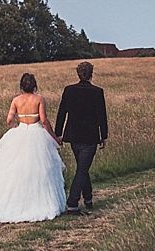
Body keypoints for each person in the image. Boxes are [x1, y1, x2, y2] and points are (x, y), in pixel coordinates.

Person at [0, 73, 66, 222]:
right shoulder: (39, 99)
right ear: (34, 85)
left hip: (20, 132)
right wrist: (55, 137)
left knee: (13, 168)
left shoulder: (16, 100)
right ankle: (38, 200)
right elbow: (44, 121)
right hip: (36, 133)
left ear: (21, 86)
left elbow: (9, 120)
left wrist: (17, 127)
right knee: (40, 169)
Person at [54, 61, 108, 214]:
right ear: (91, 74)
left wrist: (59, 133)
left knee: (82, 168)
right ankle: (72, 203)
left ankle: (89, 198)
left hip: (73, 135)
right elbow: (102, 116)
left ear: (78, 73)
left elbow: (62, 112)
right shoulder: (97, 92)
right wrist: (104, 135)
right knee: (82, 169)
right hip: (90, 136)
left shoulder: (69, 90)